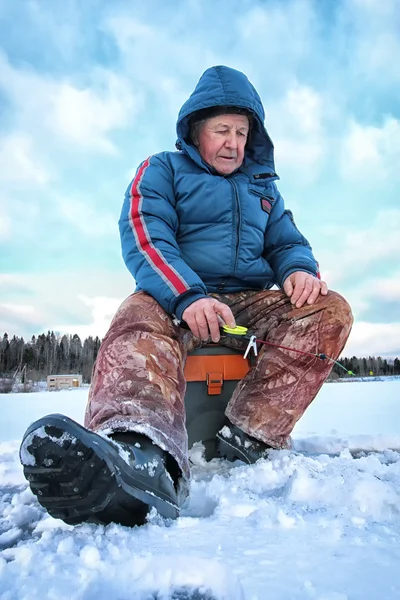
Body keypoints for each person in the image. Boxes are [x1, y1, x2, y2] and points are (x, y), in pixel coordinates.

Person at [19, 66, 353, 527]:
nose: (234, 143)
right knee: (136, 316)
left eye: (242, 131)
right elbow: (145, 234)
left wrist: (299, 271)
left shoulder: (264, 189)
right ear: (196, 130)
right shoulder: (162, 169)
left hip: (248, 303)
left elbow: (286, 243)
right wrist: (188, 297)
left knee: (330, 309)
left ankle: (251, 435)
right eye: (222, 130)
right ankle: (138, 449)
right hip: (177, 297)